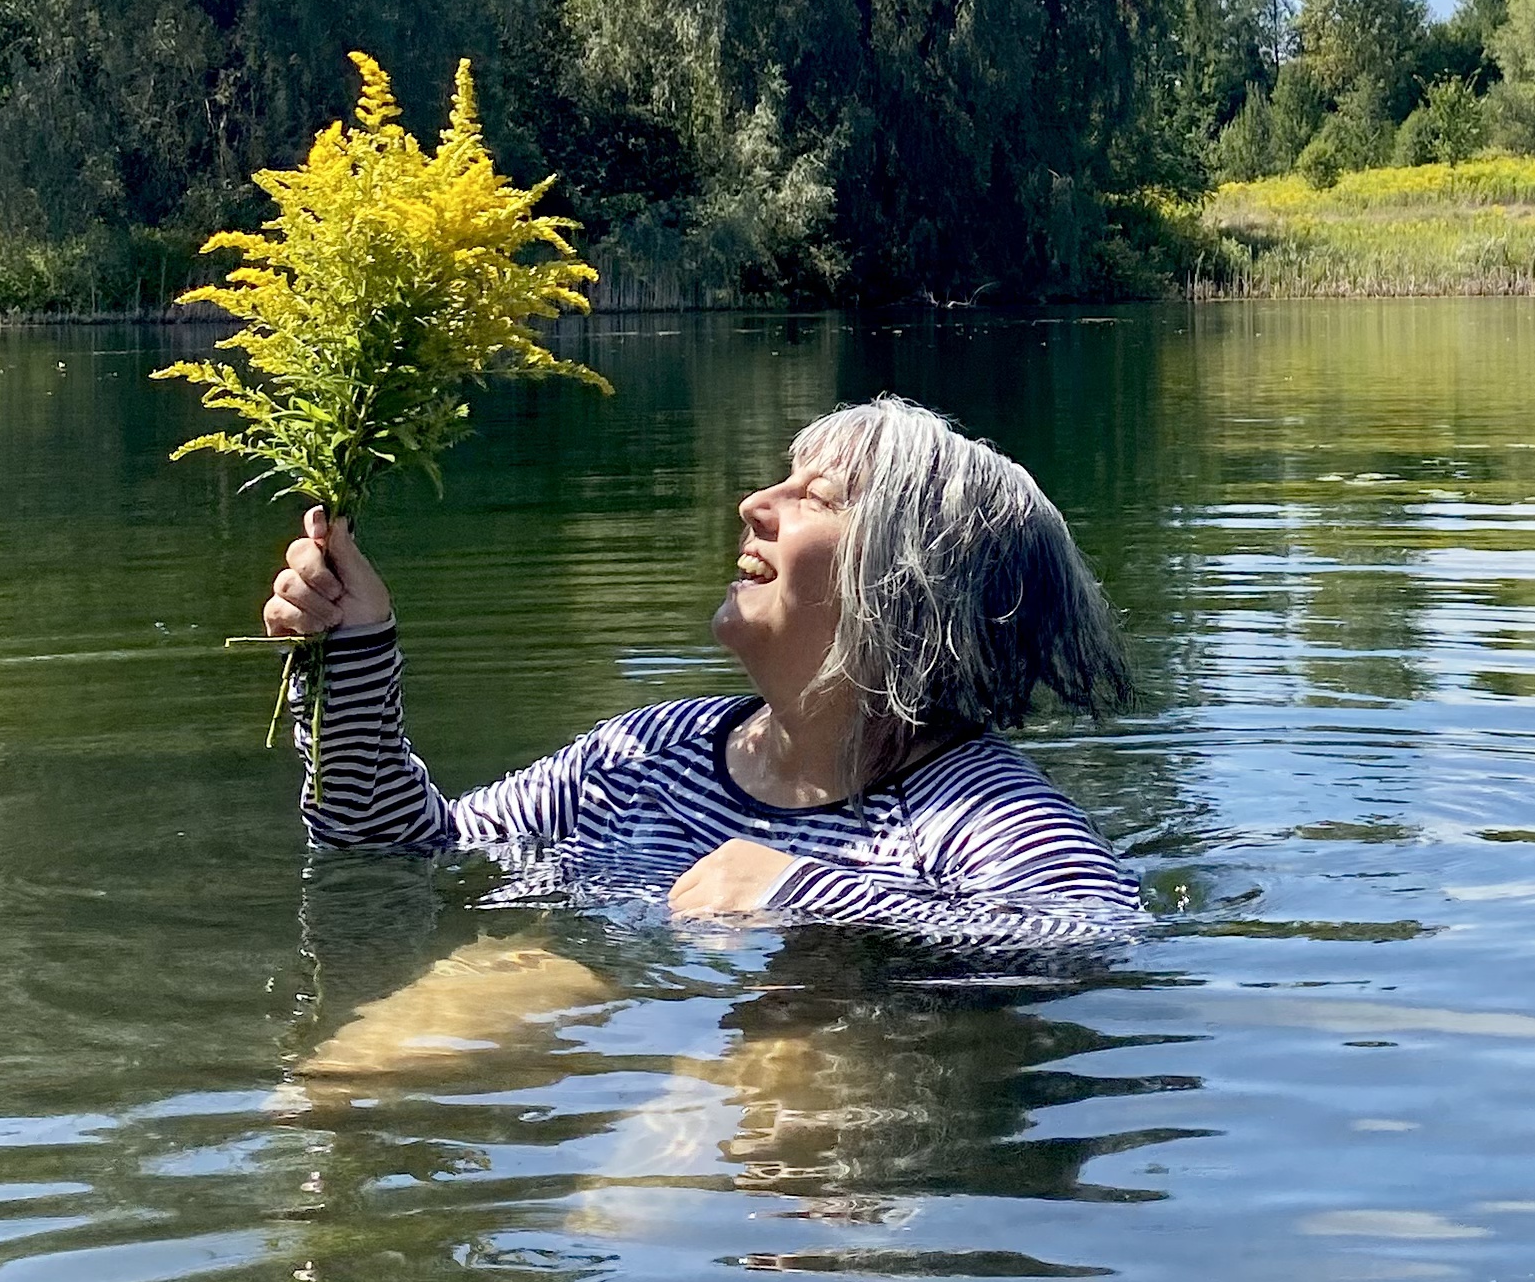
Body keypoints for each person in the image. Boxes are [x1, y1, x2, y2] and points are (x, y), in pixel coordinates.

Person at [260, 394, 1142, 946]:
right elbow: (402, 846)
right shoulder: (647, 755)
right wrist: (352, 650)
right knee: (529, 979)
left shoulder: (975, 813)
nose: (756, 503)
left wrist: (801, 892)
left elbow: (1095, 931)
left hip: (834, 1132)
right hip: (677, 1090)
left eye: (818, 497)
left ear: (911, 585)